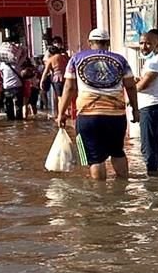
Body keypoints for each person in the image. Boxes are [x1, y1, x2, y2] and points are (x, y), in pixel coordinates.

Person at [56, 28, 139, 181]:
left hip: (88, 115)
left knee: (95, 158)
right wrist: (135, 109)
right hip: (116, 116)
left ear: (90, 43)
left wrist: (61, 113)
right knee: (117, 151)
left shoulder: (76, 59)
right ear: (108, 43)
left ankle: (100, 197)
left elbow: (69, 87)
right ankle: (123, 189)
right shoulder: (120, 60)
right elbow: (131, 86)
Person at [135, 32, 158, 175]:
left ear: (157, 44)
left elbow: (142, 86)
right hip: (152, 106)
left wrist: (129, 86)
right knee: (155, 143)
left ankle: (152, 177)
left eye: (148, 43)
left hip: (151, 107)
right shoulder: (152, 61)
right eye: (142, 43)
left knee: (148, 146)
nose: (144, 46)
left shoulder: (156, 61)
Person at [0, 32, 28, 120]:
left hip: (7, 87)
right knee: (18, 106)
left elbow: (1, 75)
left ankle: (11, 121)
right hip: (17, 86)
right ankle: (19, 124)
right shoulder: (17, 63)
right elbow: (24, 54)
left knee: (8, 107)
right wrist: (20, 48)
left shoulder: (1, 64)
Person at [41, 45, 70, 116]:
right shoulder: (65, 57)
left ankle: (61, 114)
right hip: (67, 78)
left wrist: (42, 81)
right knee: (66, 96)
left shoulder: (51, 59)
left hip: (57, 79)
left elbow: (45, 72)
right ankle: (66, 112)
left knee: (60, 98)